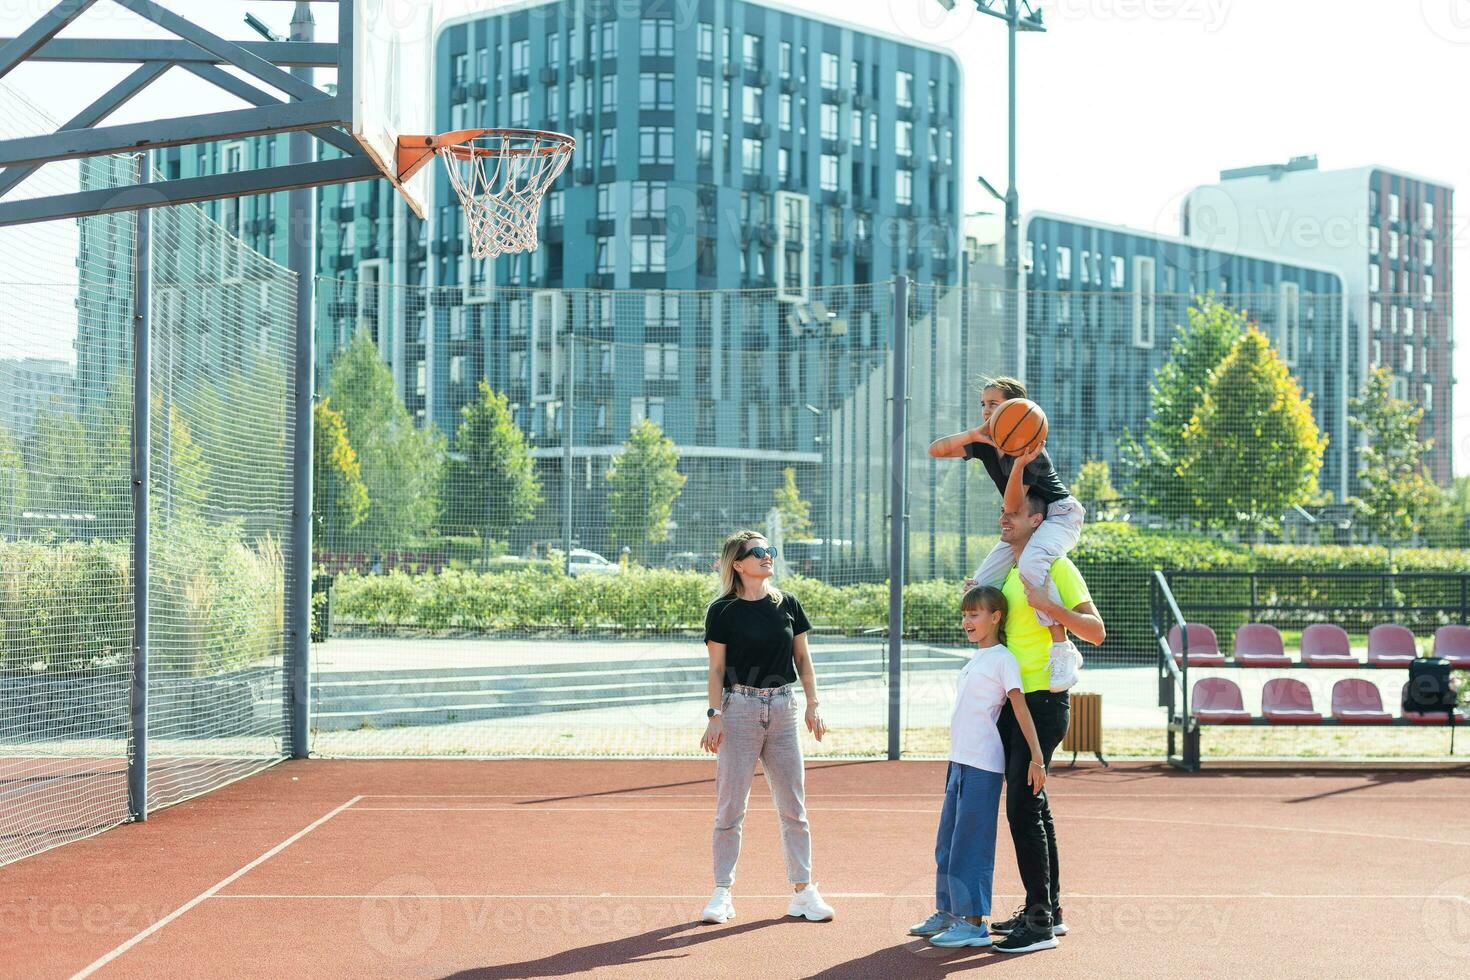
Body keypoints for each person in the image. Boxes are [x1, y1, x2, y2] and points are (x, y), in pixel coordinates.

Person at [986, 489, 1106, 954]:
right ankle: (1049, 913)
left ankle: (1037, 924)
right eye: (1002, 509)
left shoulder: (1053, 567)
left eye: (1014, 512)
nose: (1004, 517)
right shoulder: (1011, 572)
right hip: (1015, 704)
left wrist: (1051, 607)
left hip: (1043, 704)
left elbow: (1095, 631)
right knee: (1035, 807)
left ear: (1038, 520)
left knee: (1022, 808)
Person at [698, 530, 833, 926]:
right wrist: (713, 715)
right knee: (730, 807)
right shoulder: (721, 611)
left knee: (794, 807)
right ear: (738, 564)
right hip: (737, 707)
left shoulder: (787, 604)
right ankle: (722, 894)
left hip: (783, 707)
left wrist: (813, 704)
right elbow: (717, 669)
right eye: (756, 552)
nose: (766, 556)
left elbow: (803, 659)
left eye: (769, 549)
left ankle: (804, 892)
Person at [909, 586, 1047, 949]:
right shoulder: (975, 660)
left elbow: (1020, 709)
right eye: (965, 614)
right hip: (958, 762)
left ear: (996, 616)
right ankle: (949, 912)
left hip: (983, 766)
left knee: (971, 843)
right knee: (948, 842)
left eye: (974, 614)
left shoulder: (1003, 659)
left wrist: (1037, 756)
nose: (966, 621)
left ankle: (974, 924)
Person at [929, 376, 1086, 692]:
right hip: (1025, 519)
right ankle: (992, 657)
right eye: (983, 405)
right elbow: (935, 450)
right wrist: (975, 435)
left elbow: (1013, 505)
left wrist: (1017, 466)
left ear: (1016, 410)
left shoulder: (1030, 449)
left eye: (994, 404)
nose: (986, 411)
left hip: (1056, 516)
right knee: (980, 586)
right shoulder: (986, 443)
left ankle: (1062, 647)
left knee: (1030, 565)